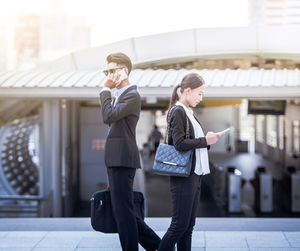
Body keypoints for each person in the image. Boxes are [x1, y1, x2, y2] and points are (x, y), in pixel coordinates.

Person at [99, 52, 161, 251]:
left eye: (111, 71)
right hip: (117, 159)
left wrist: (104, 90)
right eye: (106, 72)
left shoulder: (132, 95)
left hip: (122, 159)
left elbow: (108, 116)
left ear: (124, 71)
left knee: (123, 213)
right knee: (126, 212)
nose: (108, 75)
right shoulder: (121, 95)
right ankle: (160, 248)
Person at [158, 73, 223, 251]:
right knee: (179, 226)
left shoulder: (187, 112)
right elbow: (179, 144)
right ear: (187, 91)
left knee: (188, 228)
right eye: (200, 93)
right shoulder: (178, 111)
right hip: (183, 177)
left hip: (194, 175)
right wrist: (205, 141)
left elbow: (192, 141)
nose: (201, 98)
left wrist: (207, 140)